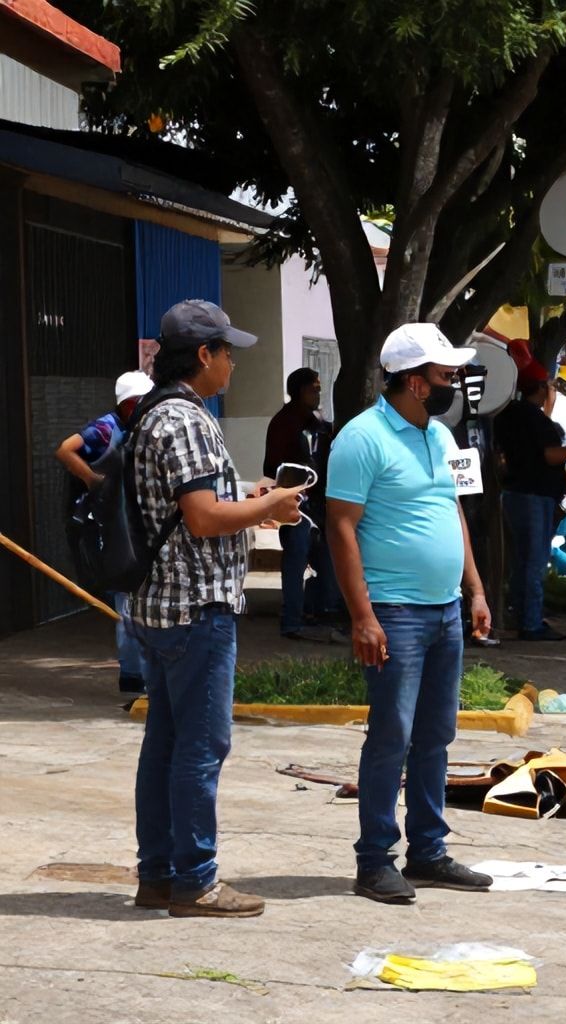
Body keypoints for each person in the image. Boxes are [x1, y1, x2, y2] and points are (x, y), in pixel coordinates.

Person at [130, 300, 303, 918]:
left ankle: (158, 875)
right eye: (228, 351)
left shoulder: (157, 412)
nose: (233, 361)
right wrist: (272, 504)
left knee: (167, 745)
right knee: (201, 749)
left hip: (161, 606)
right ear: (203, 355)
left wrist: (250, 497)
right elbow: (204, 519)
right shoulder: (187, 420)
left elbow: (193, 506)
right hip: (194, 606)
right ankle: (196, 881)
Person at [327, 322, 494, 904]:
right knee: (391, 736)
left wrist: (474, 589)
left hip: (446, 611)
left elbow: (453, 515)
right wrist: (363, 616)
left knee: (435, 737)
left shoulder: (441, 438)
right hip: (394, 613)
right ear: (415, 383)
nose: (455, 383)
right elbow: (340, 526)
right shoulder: (361, 437)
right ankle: (374, 860)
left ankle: (428, 852)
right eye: (446, 375)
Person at [57, 370, 153, 692]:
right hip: (114, 530)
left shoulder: (141, 428)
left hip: (136, 527)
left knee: (141, 603)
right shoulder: (106, 428)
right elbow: (65, 450)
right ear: (129, 403)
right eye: (143, 400)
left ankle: (145, 674)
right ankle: (132, 677)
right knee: (128, 606)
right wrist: (94, 480)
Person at [495, 358, 566, 641]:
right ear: (542, 387)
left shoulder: (507, 414)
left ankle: (518, 614)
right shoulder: (534, 418)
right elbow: (549, 455)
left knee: (521, 561)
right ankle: (530, 623)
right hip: (534, 496)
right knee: (534, 561)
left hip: (514, 494)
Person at [263, 367, 341, 642]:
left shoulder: (318, 424)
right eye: (313, 389)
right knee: (295, 561)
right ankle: (292, 621)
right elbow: (273, 466)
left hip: (321, 503)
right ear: (298, 391)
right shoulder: (284, 423)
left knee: (326, 560)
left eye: (320, 389)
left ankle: (318, 610)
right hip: (295, 503)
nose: (318, 394)